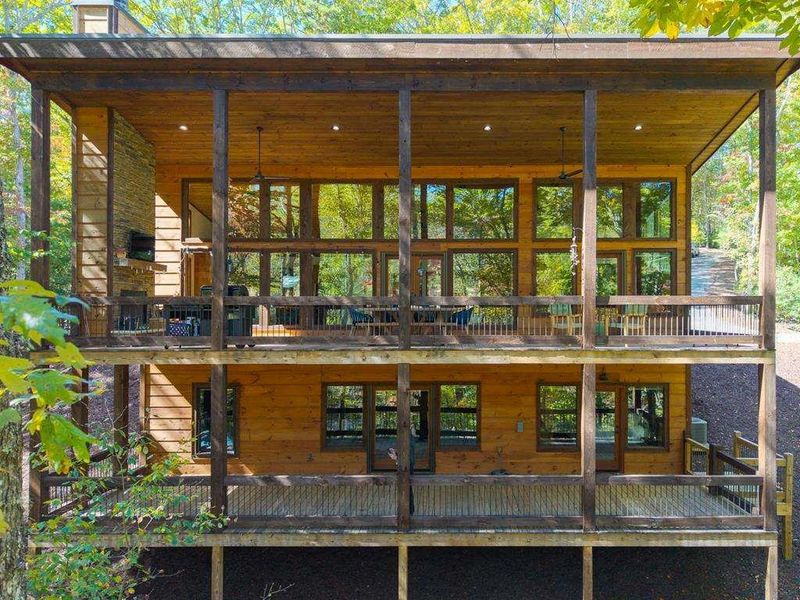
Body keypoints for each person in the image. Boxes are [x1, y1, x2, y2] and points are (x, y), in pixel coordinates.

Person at [387, 424, 416, 515]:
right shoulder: (408, 437)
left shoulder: (408, 438)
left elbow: (408, 455)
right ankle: (408, 510)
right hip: (407, 465)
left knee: (406, 487)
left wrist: (396, 458)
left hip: (407, 466)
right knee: (407, 487)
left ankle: (407, 511)